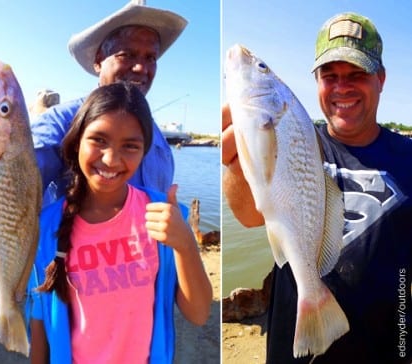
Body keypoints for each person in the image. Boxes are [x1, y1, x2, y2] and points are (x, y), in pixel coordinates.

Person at [222, 12, 412, 364]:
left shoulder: (409, 157)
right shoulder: (300, 137)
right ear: (316, 81)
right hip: (293, 344)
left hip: (387, 347)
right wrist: (235, 160)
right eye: (330, 76)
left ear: (381, 79)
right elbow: (250, 216)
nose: (343, 87)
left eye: (357, 74)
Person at [27, 82, 212, 363]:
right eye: (99, 140)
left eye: (130, 146)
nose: (111, 159)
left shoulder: (163, 217)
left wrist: (185, 244)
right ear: (77, 140)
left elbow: (198, 314)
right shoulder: (47, 227)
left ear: (144, 152)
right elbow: (39, 322)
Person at [31, 0, 188, 205]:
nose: (141, 68)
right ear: (98, 61)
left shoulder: (159, 141)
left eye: (151, 58)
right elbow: (16, 175)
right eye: (127, 55)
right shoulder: (60, 122)